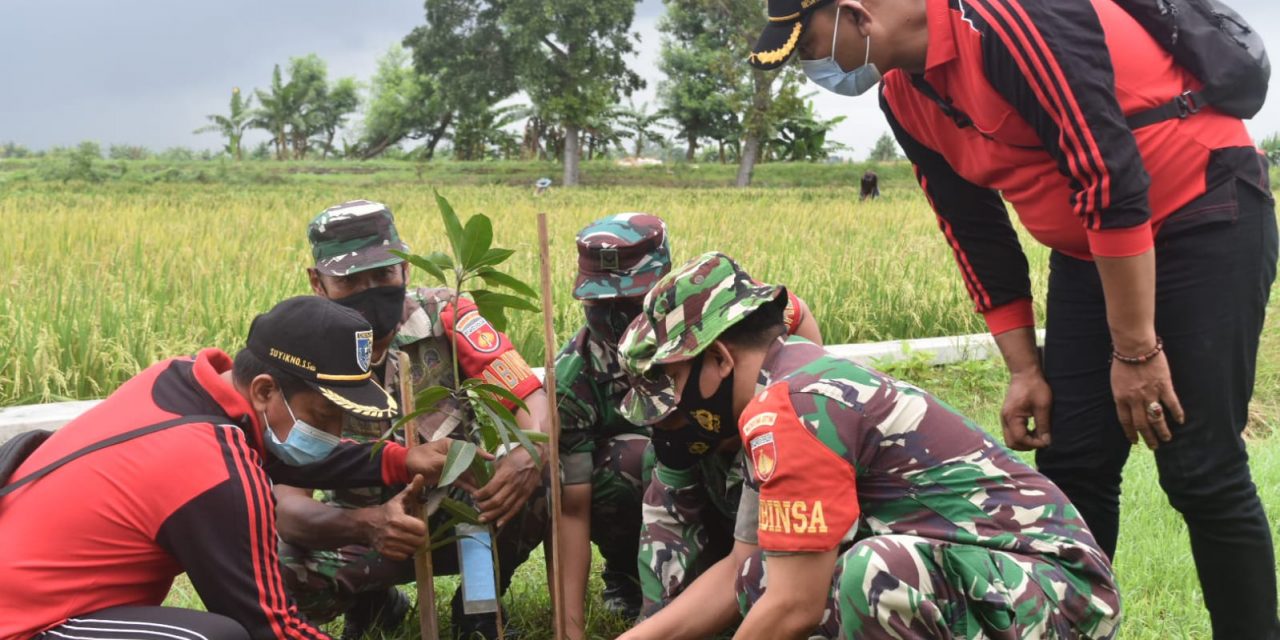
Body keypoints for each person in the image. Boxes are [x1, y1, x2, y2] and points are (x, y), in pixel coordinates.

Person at [747, 0, 1279, 635]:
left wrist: (1135, 350)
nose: (815, 67)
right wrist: (1024, 367)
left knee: (1199, 466)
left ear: (859, 16)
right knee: (1073, 459)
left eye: (809, 48)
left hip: (1201, 209)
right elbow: (972, 228)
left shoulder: (1008, 19)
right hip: (1091, 248)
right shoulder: (906, 95)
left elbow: (1107, 174)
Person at [614, 252, 1122, 640]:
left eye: (673, 380)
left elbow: (794, 606)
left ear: (720, 359)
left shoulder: (794, 404)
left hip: (1059, 593)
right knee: (759, 575)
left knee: (873, 573)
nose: (671, 406)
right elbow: (739, 572)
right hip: (992, 579)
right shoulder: (786, 384)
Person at [0, 296, 464, 640]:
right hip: (30, 624)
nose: (334, 430)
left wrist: (401, 459)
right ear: (264, 391)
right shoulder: (208, 466)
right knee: (218, 638)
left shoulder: (178, 381)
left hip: (36, 596)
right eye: (324, 416)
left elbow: (281, 450)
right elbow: (271, 627)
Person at [275, 200, 550, 639]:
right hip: (363, 525)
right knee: (278, 564)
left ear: (405, 265)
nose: (370, 290)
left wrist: (527, 452)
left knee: (544, 469)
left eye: (383, 274)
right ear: (317, 282)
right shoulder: (295, 350)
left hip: (462, 512)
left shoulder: (445, 313)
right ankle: (373, 601)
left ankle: (480, 606)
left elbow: (527, 393)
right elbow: (285, 506)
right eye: (350, 280)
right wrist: (365, 526)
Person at [554, 214, 823, 633]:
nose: (613, 316)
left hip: (751, 463)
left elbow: (797, 323)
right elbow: (575, 507)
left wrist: (782, 403)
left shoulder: (725, 313)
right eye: (599, 304)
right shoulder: (575, 376)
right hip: (675, 476)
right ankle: (636, 578)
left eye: (627, 302)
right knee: (646, 461)